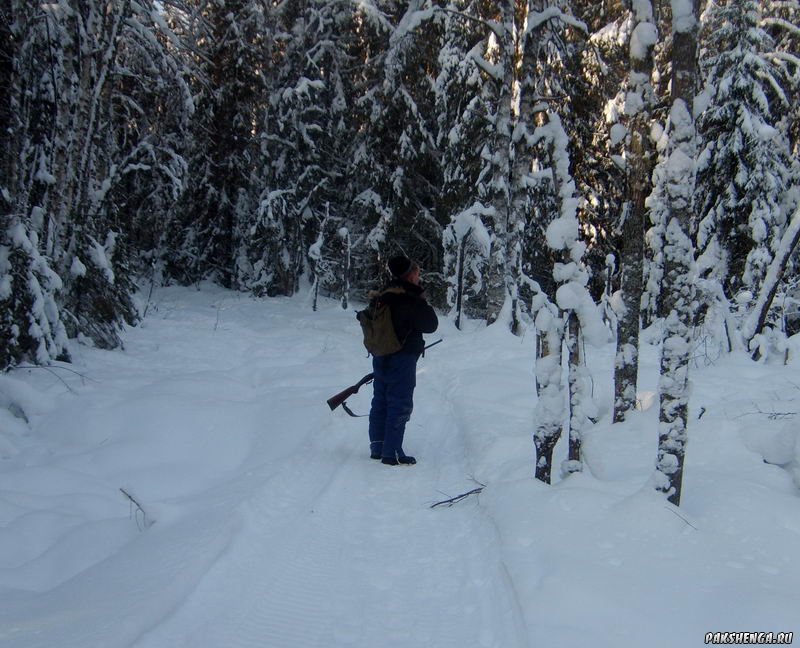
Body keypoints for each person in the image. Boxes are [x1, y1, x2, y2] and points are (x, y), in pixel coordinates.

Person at [368, 255, 438, 466]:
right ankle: (392, 452)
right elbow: (431, 324)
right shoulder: (410, 298)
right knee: (400, 403)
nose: (419, 277)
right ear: (411, 274)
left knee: (380, 400)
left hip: (381, 355)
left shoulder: (382, 295)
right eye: (417, 273)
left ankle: (378, 446)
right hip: (403, 357)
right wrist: (421, 298)